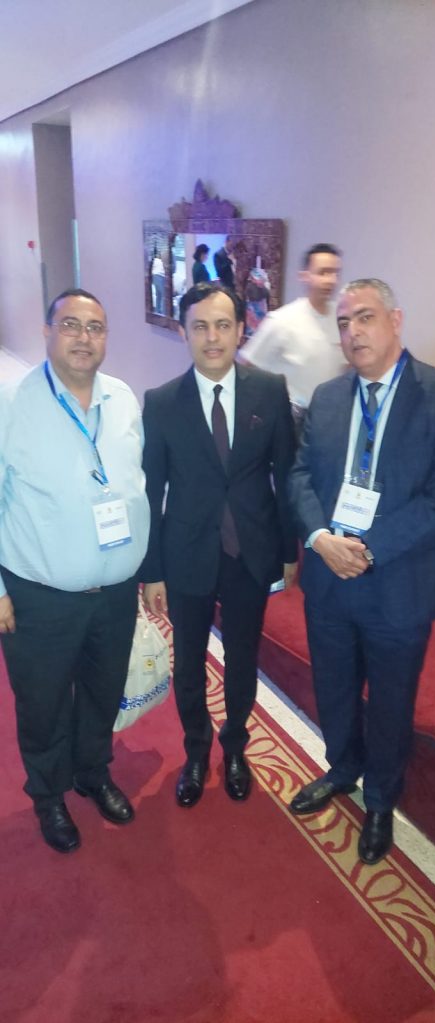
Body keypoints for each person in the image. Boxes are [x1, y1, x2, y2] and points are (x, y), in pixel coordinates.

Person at [288, 278, 435, 865]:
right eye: (343, 323)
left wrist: (367, 548)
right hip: (329, 577)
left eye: (364, 317)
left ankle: (382, 799)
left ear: (395, 320)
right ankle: (342, 768)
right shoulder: (329, 397)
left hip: (399, 582)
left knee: (391, 699)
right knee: (334, 685)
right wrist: (320, 539)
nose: (353, 332)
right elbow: (300, 476)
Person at [0, 288, 150, 854]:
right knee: (42, 702)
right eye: (70, 325)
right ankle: (48, 794)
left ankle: (92, 771)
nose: (84, 338)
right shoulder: (11, 404)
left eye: (95, 327)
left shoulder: (123, 399)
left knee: (101, 690)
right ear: (47, 331)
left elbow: (135, 485)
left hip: (114, 590)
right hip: (39, 595)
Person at [142, 281, 297, 808]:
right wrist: (152, 570)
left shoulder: (269, 390)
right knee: (188, 664)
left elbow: (285, 474)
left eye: (223, 325)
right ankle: (195, 750)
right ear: (184, 332)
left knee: (242, 657)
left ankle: (235, 748)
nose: (213, 338)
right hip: (186, 553)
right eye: (201, 327)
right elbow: (151, 491)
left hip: (250, 551)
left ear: (240, 329)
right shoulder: (162, 403)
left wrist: (289, 552)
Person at [241, 243, 344, 436]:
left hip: (330, 418)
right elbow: (246, 368)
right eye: (323, 272)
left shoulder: (342, 319)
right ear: (304, 276)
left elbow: (346, 368)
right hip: (293, 421)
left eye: (335, 273)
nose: (331, 280)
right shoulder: (282, 321)